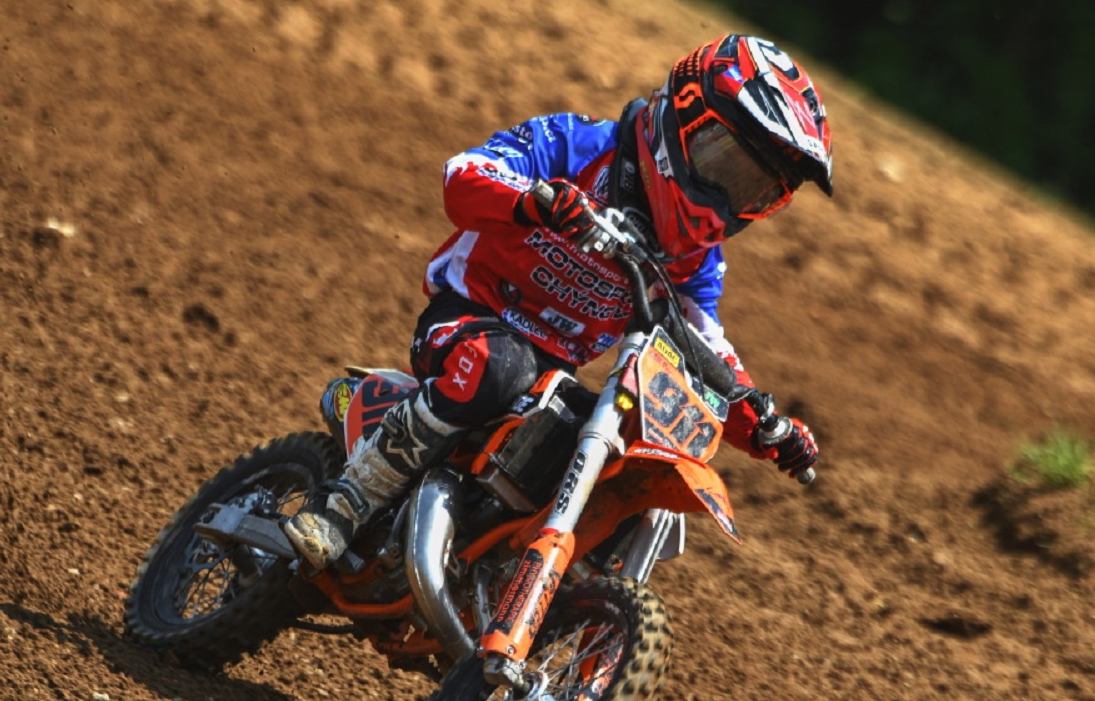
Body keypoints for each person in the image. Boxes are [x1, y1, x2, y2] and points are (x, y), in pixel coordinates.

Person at [283, 34, 831, 570]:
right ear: (684, 118)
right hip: (471, 317)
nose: (731, 197)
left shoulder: (695, 256)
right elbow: (464, 174)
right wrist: (538, 203)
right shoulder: (579, 145)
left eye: (755, 190)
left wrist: (762, 425)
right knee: (498, 369)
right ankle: (347, 500)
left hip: (552, 373)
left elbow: (705, 343)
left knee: (624, 449)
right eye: (726, 164)